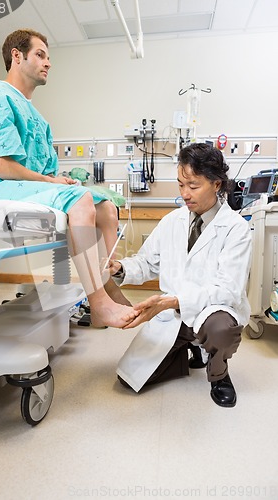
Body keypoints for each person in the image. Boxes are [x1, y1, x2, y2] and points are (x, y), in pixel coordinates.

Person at [0, 28, 138, 329]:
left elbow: (44, 173)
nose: (47, 62)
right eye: (40, 55)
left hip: (20, 188)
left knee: (106, 207)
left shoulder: (38, 118)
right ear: (16, 56)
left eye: (49, 57)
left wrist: (59, 181)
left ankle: (106, 285)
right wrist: (52, 184)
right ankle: (99, 301)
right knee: (82, 202)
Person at [108, 143, 252, 407]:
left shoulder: (236, 229)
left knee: (220, 329)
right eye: (180, 185)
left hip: (212, 312)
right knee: (129, 380)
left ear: (217, 184)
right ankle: (190, 348)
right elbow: (147, 262)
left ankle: (219, 374)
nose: (185, 194)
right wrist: (122, 269)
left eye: (193, 186)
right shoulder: (171, 221)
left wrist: (175, 301)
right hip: (172, 315)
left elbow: (229, 289)